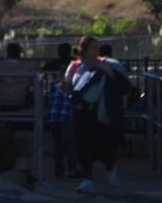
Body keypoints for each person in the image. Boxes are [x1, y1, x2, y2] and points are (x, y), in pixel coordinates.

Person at [66, 35, 131, 194]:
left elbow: (121, 85)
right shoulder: (75, 67)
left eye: (97, 48)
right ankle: (87, 179)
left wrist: (107, 71)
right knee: (83, 145)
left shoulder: (105, 64)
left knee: (102, 145)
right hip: (80, 111)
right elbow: (69, 85)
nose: (96, 51)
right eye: (93, 48)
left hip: (98, 111)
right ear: (84, 51)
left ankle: (111, 171)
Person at [45, 43, 79, 178]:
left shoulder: (53, 84)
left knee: (57, 143)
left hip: (54, 115)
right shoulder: (72, 83)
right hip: (67, 115)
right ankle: (72, 170)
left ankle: (58, 169)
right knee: (71, 143)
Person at [0, 43, 38, 110]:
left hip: (1, 99)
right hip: (20, 99)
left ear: (8, 53)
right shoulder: (29, 67)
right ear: (19, 53)